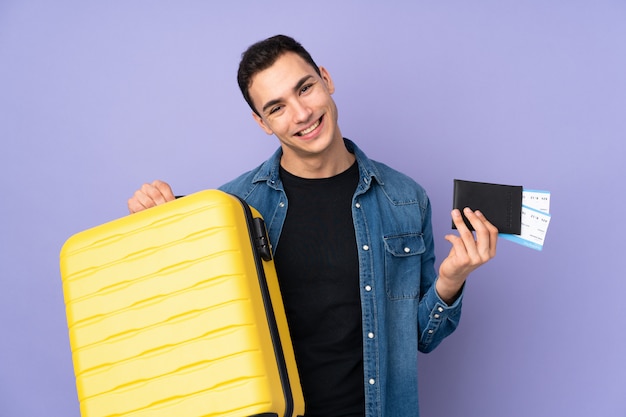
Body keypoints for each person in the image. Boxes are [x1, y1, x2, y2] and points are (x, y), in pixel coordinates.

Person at [128, 34, 498, 417]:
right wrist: (159, 234)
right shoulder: (229, 209)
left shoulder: (404, 199)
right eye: (277, 108)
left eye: (305, 88)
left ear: (326, 79)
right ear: (262, 123)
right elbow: (190, 330)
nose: (302, 114)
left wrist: (451, 280)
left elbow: (421, 339)